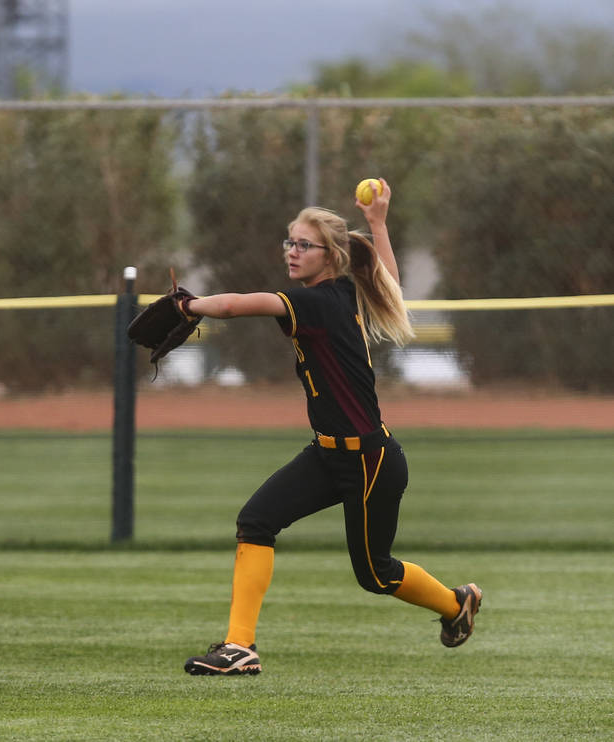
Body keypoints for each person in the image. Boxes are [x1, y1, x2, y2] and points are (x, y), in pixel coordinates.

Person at [182, 180, 481, 675]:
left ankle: (456, 603)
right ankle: (240, 647)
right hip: (328, 454)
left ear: (331, 256)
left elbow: (236, 305)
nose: (292, 252)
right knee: (256, 520)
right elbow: (387, 277)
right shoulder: (341, 291)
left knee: (375, 573)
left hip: (369, 460)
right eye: (289, 242)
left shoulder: (320, 302)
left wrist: (187, 306)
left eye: (304, 245)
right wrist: (379, 223)